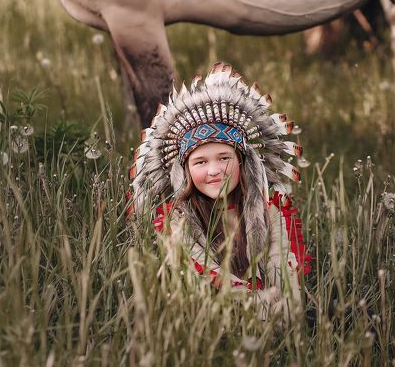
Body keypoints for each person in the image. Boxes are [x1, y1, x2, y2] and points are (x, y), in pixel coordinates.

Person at [129, 62, 312, 316]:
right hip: (213, 319)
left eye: (224, 158)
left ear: (242, 162)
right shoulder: (177, 221)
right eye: (200, 162)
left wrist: (283, 307)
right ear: (184, 172)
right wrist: (257, 306)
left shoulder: (273, 211)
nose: (214, 171)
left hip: (277, 314)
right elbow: (208, 277)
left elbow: (283, 272)